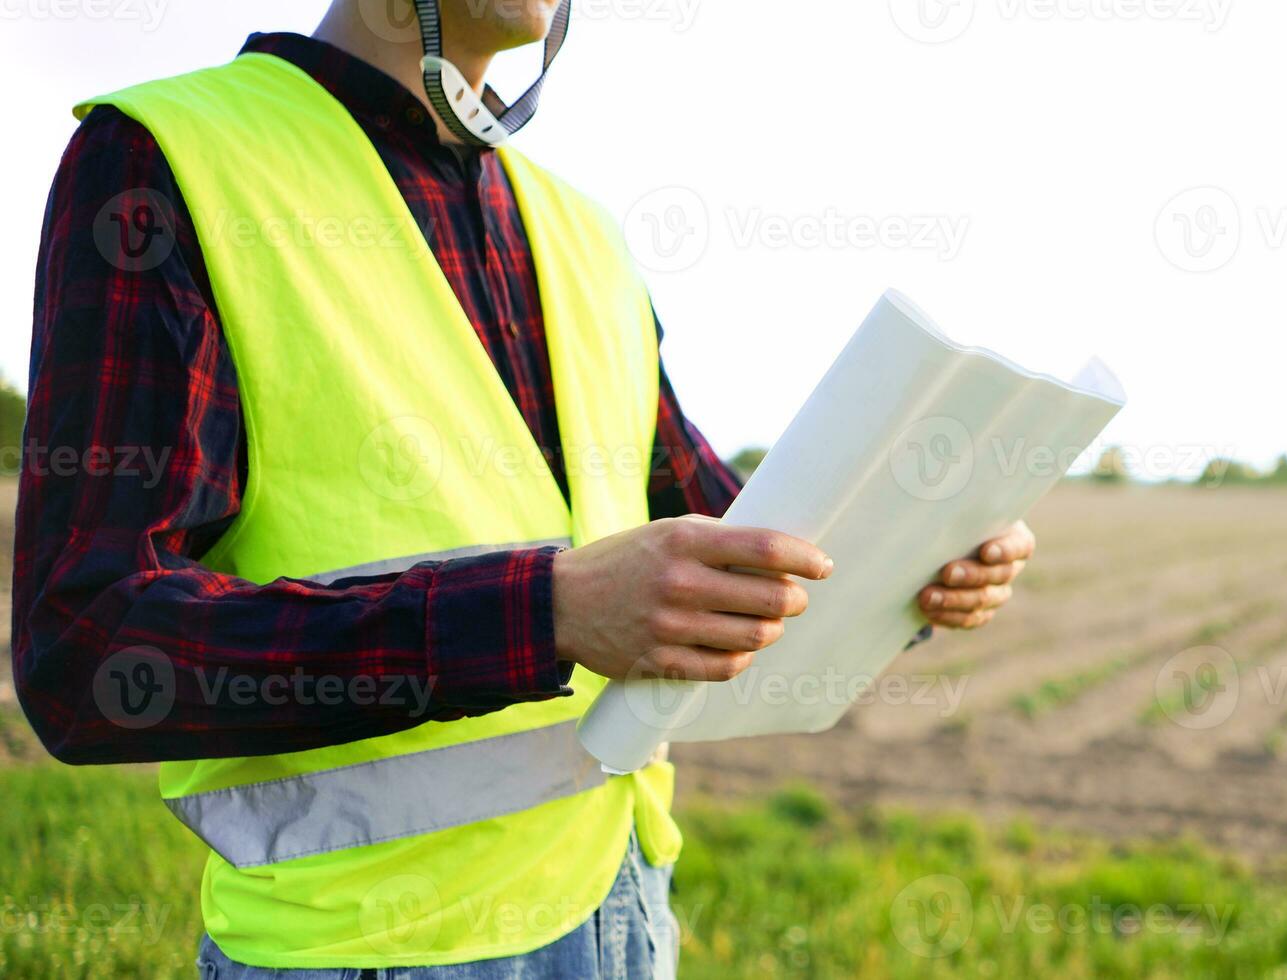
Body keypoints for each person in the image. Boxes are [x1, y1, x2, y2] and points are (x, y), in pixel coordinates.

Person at [11, 1, 1036, 976]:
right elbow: (89, 645)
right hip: (360, 946)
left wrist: (917, 561)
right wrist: (545, 611)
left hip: (626, 912)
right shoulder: (162, 162)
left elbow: (733, 543)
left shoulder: (584, 232)